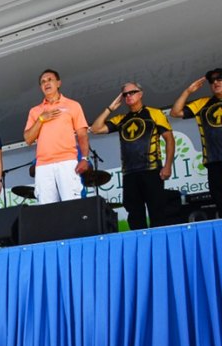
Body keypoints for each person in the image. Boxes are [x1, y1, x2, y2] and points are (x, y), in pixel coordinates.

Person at [91, 82, 174, 230]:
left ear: (140, 94)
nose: (128, 96)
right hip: (129, 174)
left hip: (152, 170)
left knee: (158, 213)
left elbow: (169, 139)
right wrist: (110, 108)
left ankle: (160, 247)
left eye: (132, 92)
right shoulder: (121, 118)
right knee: (135, 217)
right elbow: (95, 129)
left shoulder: (154, 113)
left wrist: (167, 166)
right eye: (125, 94)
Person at [23, 69, 90, 204]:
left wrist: (84, 158)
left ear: (58, 83)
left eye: (50, 80)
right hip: (43, 165)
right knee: (47, 210)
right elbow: (28, 139)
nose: (46, 83)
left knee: (72, 205)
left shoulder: (73, 105)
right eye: (43, 82)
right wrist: (41, 119)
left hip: (67, 161)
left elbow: (82, 134)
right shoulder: (35, 111)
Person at [170, 68, 222, 218]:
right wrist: (188, 92)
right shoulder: (203, 103)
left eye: (220, 79)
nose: (216, 83)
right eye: (212, 81)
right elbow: (175, 113)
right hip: (214, 162)